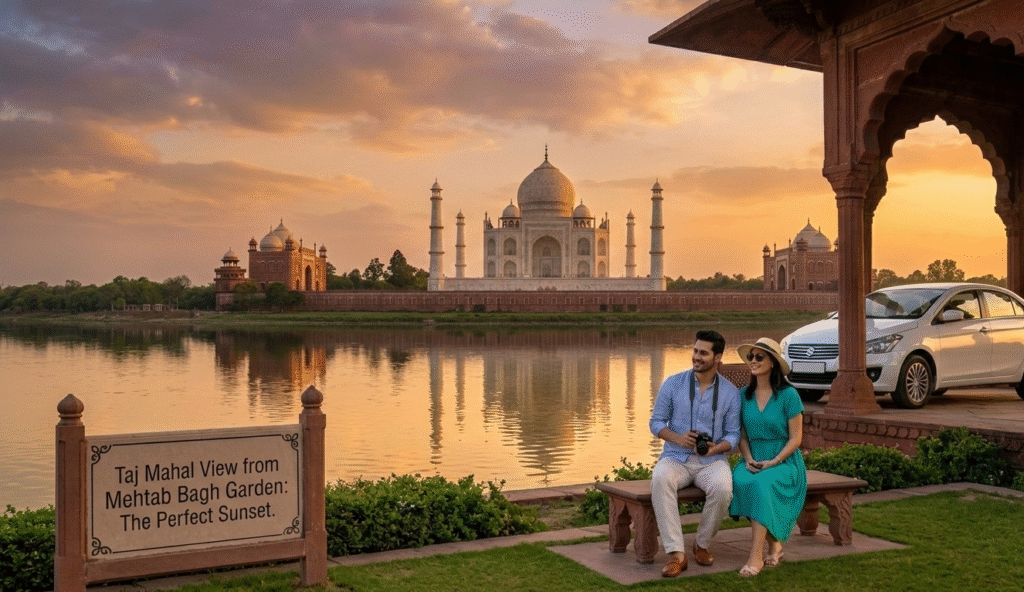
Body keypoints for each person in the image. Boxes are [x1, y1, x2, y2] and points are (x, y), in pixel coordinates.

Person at [649, 329, 741, 577]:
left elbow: (733, 435)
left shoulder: (731, 393)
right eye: (695, 351)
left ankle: (701, 544)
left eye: (703, 353)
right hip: (675, 457)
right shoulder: (672, 383)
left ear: (718, 357)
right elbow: (656, 423)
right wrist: (679, 438)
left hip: (712, 460)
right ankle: (677, 554)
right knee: (660, 480)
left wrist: (717, 446)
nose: (696, 357)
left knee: (723, 489)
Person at [729, 337, 807, 577]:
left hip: (784, 461)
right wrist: (749, 458)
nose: (753, 361)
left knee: (762, 484)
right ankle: (775, 545)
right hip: (753, 458)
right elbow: (741, 434)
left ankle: (756, 557)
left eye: (759, 357)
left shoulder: (788, 395)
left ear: (772, 362)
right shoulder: (744, 395)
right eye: (750, 357)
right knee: (742, 480)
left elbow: (796, 439)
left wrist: (774, 461)